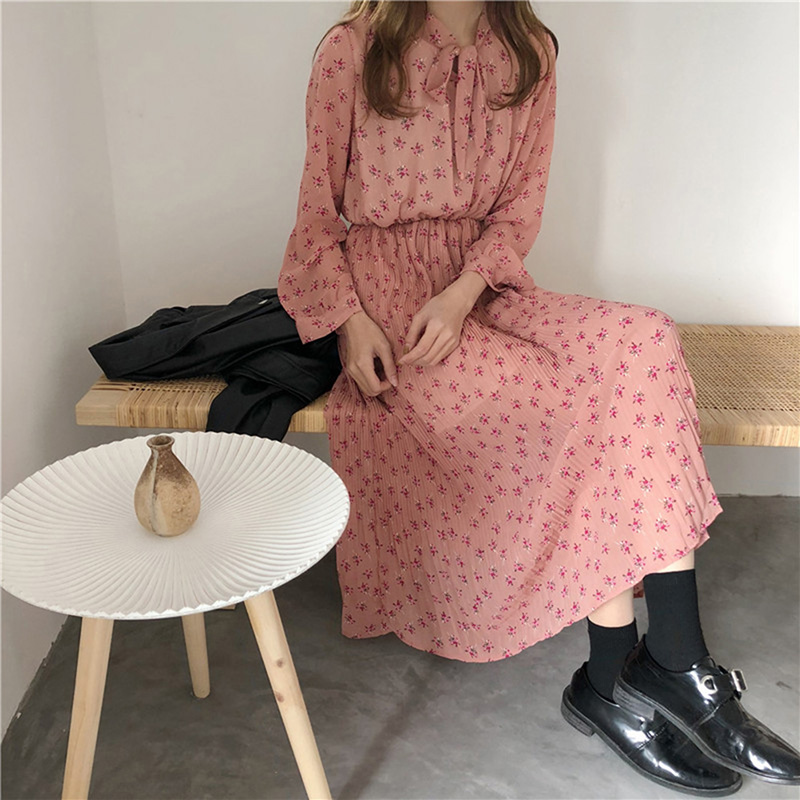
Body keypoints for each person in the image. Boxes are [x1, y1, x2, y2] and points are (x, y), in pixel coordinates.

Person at [278, 1, 800, 793]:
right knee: (584, 407)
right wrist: (348, 322)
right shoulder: (355, 50)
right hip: (393, 311)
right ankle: (622, 679)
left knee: (642, 342)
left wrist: (464, 292)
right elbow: (316, 216)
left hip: (479, 290)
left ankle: (671, 662)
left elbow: (518, 210)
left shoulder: (527, 51)